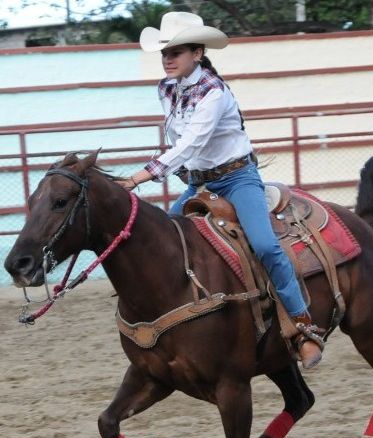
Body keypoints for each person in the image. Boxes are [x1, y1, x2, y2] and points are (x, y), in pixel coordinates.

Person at [117, 12, 323, 369]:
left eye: (177, 51)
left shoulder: (214, 92)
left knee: (264, 245)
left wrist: (140, 177)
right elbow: (180, 142)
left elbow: (193, 141)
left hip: (237, 177)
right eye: (165, 52)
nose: (168, 58)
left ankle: (304, 326)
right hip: (201, 182)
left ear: (197, 53)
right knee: (166, 241)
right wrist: (179, 170)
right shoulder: (166, 89)